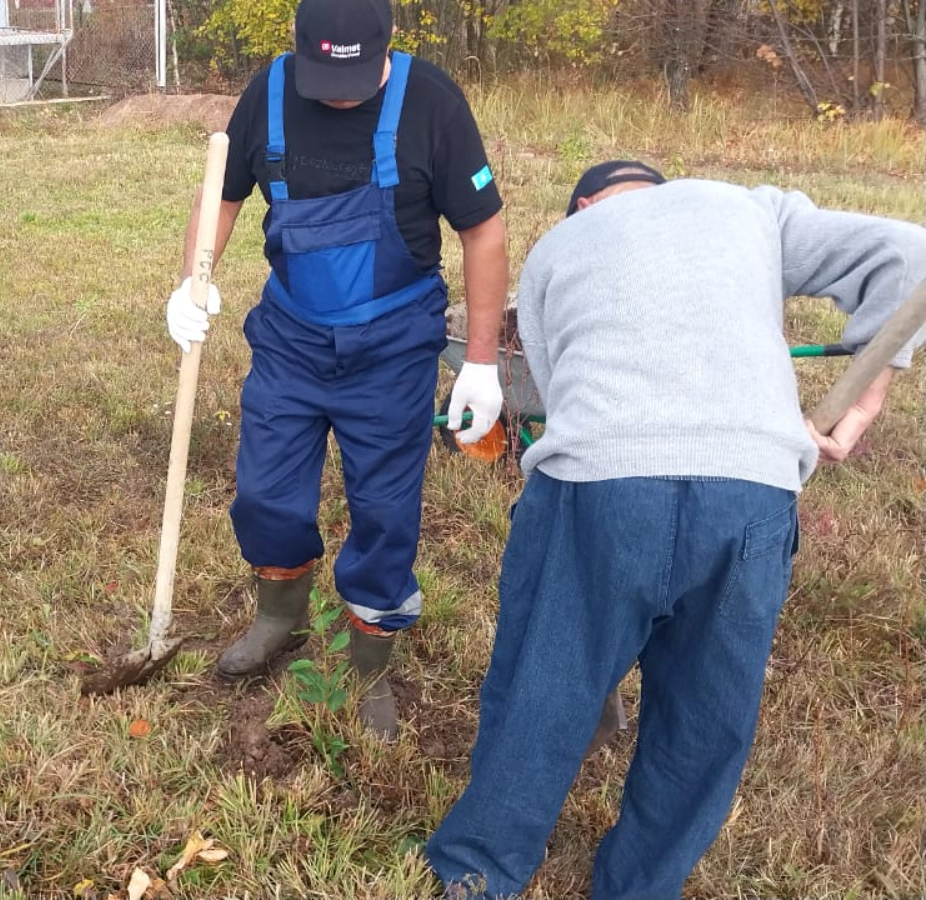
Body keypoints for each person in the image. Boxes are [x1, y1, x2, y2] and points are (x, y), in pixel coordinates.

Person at [424, 161, 926, 899]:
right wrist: (867, 396)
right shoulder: (754, 211)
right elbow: (909, 255)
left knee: (543, 683)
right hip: (752, 484)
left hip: (604, 481)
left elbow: (557, 399)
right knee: (704, 716)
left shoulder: (561, 245)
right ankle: (641, 885)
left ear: (586, 202)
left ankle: (479, 869)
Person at [166, 0, 508, 740]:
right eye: (323, 77)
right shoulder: (270, 92)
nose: (339, 94)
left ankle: (371, 663)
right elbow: (221, 197)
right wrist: (190, 281)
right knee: (265, 495)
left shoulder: (432, 102)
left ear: (386, 47)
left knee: (385, 515)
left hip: (392, 347)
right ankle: (279, 618)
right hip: (291, 338)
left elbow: (482, 230)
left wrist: (480, 362)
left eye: (352, 78)